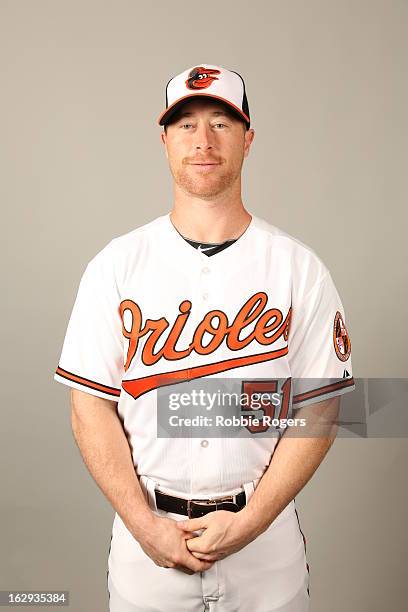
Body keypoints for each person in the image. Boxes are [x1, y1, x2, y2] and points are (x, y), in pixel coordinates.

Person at [54, 63, 355, 611]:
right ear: (164, 138)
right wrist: (145, 527)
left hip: (266, 547)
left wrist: (252, 522)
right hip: (148, 542)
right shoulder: (116, 266)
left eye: (222, 122)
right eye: (187, 124)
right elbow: (88, 407)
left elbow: (320, 412)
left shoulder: (298, 268)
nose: (204, 140)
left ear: (248, 139)